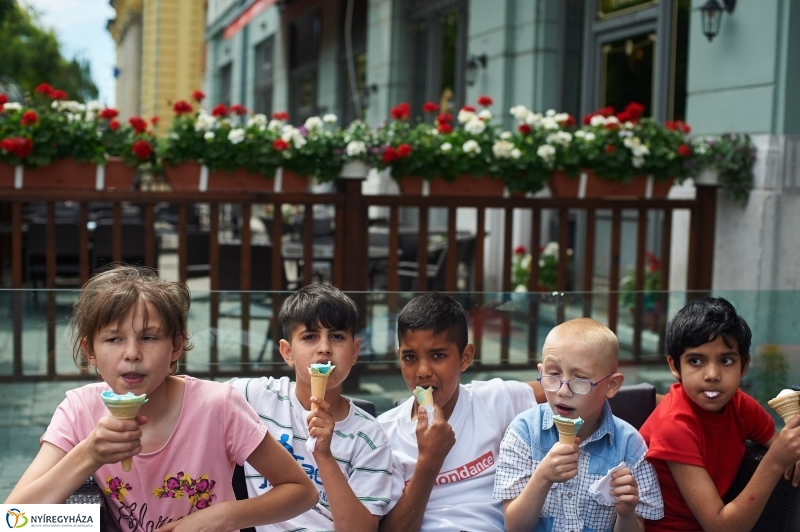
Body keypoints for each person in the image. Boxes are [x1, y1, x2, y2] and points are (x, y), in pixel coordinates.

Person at [5, 266, 317, 532]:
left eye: (148, 337)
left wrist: (223, 516)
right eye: (113, 339)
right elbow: (14, 519)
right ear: (90, 352)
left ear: (177, 346)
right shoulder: (78, 410)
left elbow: (302, 492)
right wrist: (89, 454)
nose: (132, 353)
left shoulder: (218, 405)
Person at [230, 284, 397, 532]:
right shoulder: (256, 397)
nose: (324, 348)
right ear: (287, 352)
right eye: (310, 337)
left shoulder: (369, 437)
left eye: (337, 336)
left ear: (355, 352)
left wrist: (324, 456)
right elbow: (195, 398)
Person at [377, 292, 547, 532]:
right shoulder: (383, 434)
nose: (423, 371)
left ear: (465, 357)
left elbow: (557, 389)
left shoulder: (493, 401)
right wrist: (428, 462)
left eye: (438, 355)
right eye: (410, 357)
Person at [640, 297, 800, 531]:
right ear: (675, 366)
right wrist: (775, 461)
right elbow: (720, 527)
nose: (712, 374)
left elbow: (782, 447)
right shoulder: (674, 426)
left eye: (726, 360)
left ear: (744, 365)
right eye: (696, 360)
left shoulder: (741, 406)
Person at [494, 318, 663, 532]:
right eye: (553, 374)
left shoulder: (630, 445)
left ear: (611, 385)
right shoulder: (524, 432)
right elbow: (514, 527)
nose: (563, 390)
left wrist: (626, 512)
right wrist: (542, 477)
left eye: (580, 379)